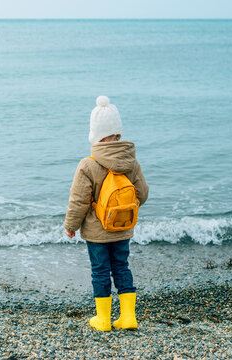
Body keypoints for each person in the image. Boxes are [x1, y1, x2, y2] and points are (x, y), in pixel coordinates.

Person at [64, 95, 149, 331]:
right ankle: (128, 317)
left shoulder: (88, 164)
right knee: (122, 267)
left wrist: (71, 226)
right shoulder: (131, 162)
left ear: (96, 134)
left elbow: (79, 201)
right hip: (123, 229)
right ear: (117, 132)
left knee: (100, 271)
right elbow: (142, 194)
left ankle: (103, 320)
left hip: (97, 232)